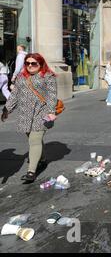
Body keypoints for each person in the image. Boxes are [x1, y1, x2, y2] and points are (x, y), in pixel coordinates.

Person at [1, 53, 57, 183]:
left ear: (40, 63)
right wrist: (6, 109)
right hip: (25, 114)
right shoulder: (21, 77)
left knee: (34, 140)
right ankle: (42, 159)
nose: (30, 66)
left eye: (33, 63)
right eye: (27, 63)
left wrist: (51, 111)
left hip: (41, 113)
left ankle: (31, 171)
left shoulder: (48, 76)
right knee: (33, 138)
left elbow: (52, 95)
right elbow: (14, 95)